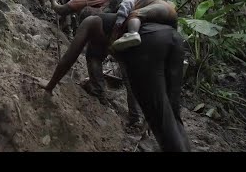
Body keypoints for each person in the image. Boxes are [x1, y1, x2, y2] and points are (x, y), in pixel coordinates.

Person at [40, 12, 191, 152]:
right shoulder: (114, 32)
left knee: (159, 112)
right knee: (171, 111)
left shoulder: (91, 21)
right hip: (173, 38)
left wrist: (49, 86)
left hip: (149, 40)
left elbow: (70, 57)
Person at [111, 0, 178, 51]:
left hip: (161, 8)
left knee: (135, 14)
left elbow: (124, 10)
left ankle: (132, 33)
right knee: (174, 31)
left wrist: (118, 24)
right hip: (172, 12)